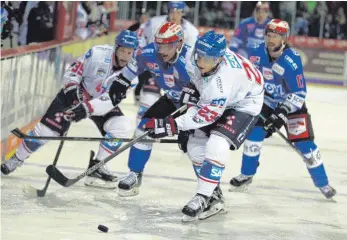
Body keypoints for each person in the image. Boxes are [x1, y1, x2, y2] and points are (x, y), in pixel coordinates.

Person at [143, 30, 264, 221]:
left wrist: (172, 125)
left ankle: (203, 196)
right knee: (194, 144)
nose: (200, 62)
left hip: (245, 103)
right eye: (198, 56)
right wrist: (192, 90)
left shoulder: (221, 82)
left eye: (206, 59)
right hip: (223, 98)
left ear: (218, 59)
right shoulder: (195, 57)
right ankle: (213, 196)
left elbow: (204, 115)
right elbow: (197, 91)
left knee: (217, 143)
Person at [1, 30, 139, 190]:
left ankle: (97, 167)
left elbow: (109, 101)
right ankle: (17, 158)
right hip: (74, 95)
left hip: (99, 103)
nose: (125, 56)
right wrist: (73, 92)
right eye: (122, 50)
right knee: (46, 132)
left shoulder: (133, 74)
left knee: (121, 126)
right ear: (116, 47)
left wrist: (86, 108)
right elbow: (73, 72)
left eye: (129, 52)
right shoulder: (97, 53)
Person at [228, 19, 337, 199]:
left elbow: (299, 92)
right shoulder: (255, 53)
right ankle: (247, 175)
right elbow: (248, 79)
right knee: (253, 135)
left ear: (284, 38)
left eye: (276, 36)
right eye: (269, 35)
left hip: (292, 107)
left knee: (306, 146)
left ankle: (323, 183)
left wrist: (282, 112)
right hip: (267, 103)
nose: (271, 39)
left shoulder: (292, 61)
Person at [107, 22, 192, 197]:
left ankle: (211, 192)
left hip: (196, 105)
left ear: (180, 43)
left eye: (168, 45)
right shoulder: (148, 53)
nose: (162, 50)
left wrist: (189, 124)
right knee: (143, 129)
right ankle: (135, 174)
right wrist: (121, 83)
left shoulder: (192, 60)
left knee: (197, 147)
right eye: (160, 44)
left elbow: (207, 95)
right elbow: (132, 69)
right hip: (172, 99)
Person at [133, 1, 199, 106]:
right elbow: (140, 34)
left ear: (182, 13)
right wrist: (142, 50)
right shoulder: (154, 22)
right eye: (172, 11)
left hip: (177, 69)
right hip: (154, 64)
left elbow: (192, 54)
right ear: (168, 11)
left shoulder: (191, 31)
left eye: (178, 12)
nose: (174, 15)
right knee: (148, 98)